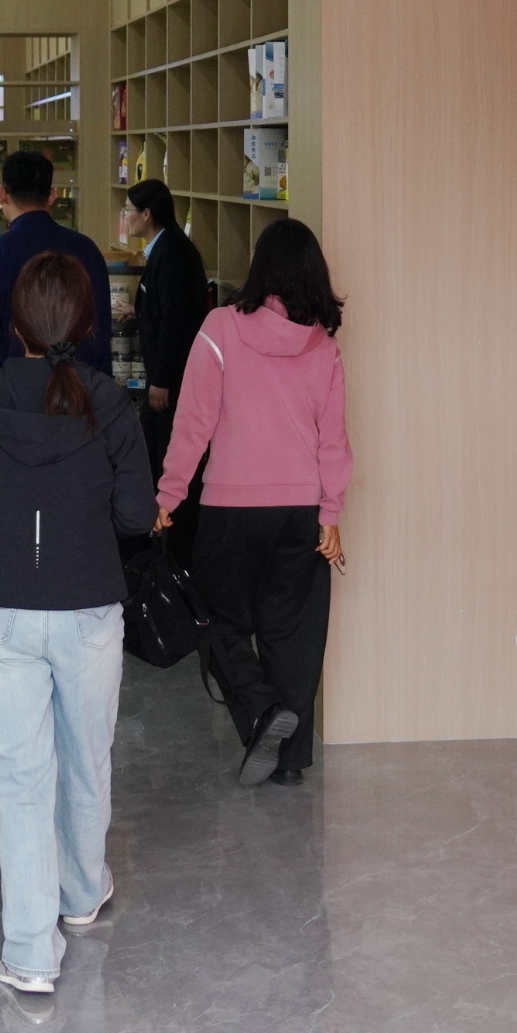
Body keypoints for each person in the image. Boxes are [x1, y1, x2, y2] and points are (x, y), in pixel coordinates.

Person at [0, 251, 156, 996]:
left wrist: (5, 535)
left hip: (3, 608)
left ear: (14, 322)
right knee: (87, 756)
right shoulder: (112, 404)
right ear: (88, 322)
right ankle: (82, 891)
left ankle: (32, 952)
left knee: (20, 779)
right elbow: (136, 514)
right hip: (89, 607)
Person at [154, 218, 351, 789]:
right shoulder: (324, 348)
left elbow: (194, 421)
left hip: (231, 509)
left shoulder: (220, 328)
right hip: (302, 512)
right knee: (294, 634)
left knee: (215, 617)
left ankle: (262, 709)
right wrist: (330, 514)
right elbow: (334, 441)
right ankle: (289, 762)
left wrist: (170, 493)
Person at [0, 149, 113, 379]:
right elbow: (102, 331)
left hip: (13, 389)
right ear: (52, 195)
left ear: (2, 193)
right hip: (80, 386)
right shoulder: (86, 249)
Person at [117, 179, 209, 479]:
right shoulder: (163, 249)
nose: (125, 215)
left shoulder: (172, 254)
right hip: (166, 373)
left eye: (129, 209)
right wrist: (139, 310)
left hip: (173, 377)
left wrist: (161, 380)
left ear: (147, 215)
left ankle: (168, 507)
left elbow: (175, 320)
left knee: (165, 450)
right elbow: (164, 305)